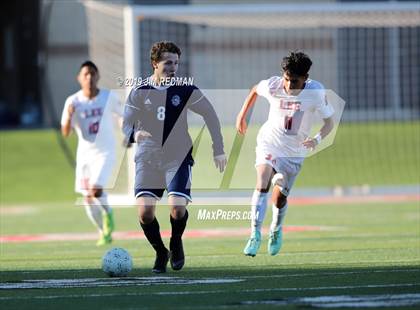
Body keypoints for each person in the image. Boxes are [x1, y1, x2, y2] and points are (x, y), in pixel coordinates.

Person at [123, 41, 227, 273]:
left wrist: (218, 148)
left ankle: (176, 240)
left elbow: (210, 114)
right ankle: (161, 251)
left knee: (177, 209)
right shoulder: (139, 91)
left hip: (177, 157)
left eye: (176, 63)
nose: (173, 68)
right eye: (168, 63)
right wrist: (134, 134)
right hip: (148, 158)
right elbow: (125, 125)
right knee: (145, 212)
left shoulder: (185, 89)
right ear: (154, 64)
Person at [236, 51, 334, 256]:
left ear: (306, 78)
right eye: (287, 79)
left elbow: (329, 123)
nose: (289, 86)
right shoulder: (273, 85)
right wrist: (242, 115)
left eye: (295, 81)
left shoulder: (316, 92)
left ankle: (276, 229)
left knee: (279, 199)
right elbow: (255, 90)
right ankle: (254, 234)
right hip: (269, 143)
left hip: (294, 152)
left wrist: (316, 140)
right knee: (262, 181)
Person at [61, 61, 123, 246]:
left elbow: (123, 115)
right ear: (79, 78)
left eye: (92, 74)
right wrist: (71, 116)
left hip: (105, 152)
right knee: (87, 198)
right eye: (85, 74)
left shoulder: (108, 97)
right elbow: (65, 132)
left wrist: (127, 131)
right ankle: (103, 231)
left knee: (96, 189)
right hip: (85, 156)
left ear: (98, 76)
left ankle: (108, 213)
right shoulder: (73, 101)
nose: (89, 77)